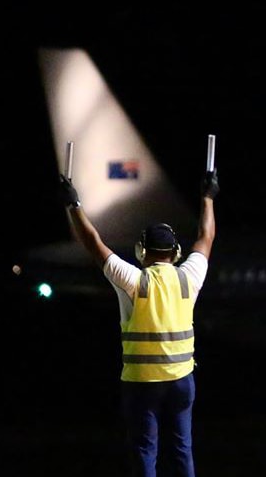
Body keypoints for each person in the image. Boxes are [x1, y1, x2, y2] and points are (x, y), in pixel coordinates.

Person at [58, 167, 219, 477]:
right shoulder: (190, 277)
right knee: (182, 448)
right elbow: (206, 236)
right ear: (175, 253)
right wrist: (208, 197)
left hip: (142, 383)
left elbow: (94, 243)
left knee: (145, 450)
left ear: (142, 252)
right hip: (182, 381)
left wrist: (73, 205)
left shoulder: (133, 280)